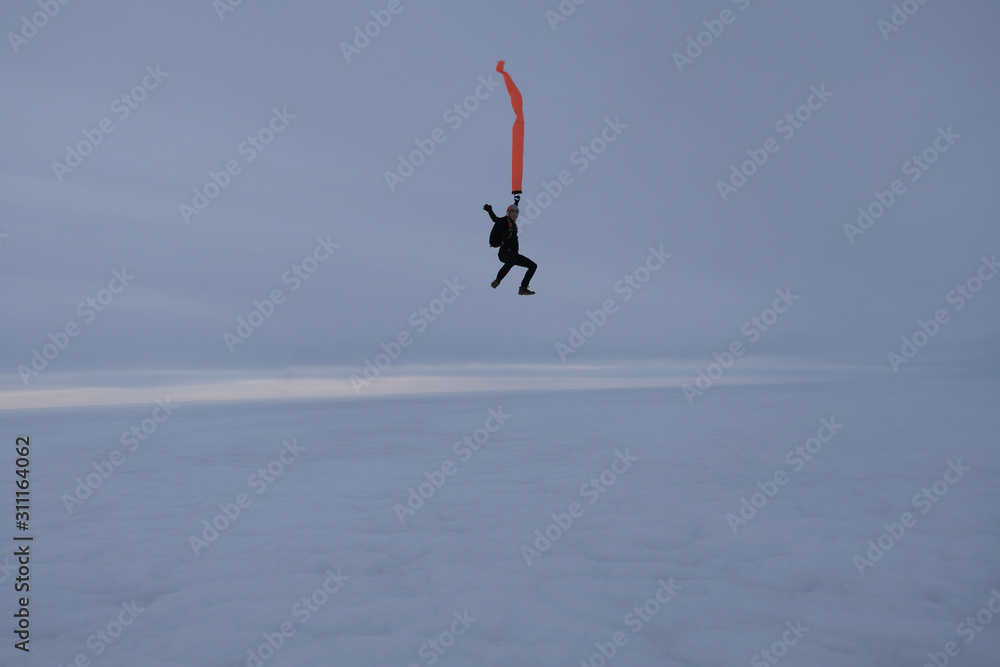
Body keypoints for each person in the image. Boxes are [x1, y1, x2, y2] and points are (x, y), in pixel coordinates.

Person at [483, 202, 536, 295]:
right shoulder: (504, 221)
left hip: (514, 254)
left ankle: (523, 288)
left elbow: (514, 209)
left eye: (516, 213)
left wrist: (516, 202)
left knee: (533, 266)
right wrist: (490, 211)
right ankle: (497, 280)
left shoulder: (513, 224)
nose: (515, 215)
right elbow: (495, 219)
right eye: (513, 213)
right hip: (505, 253)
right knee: (511, 261)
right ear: (508, 213)